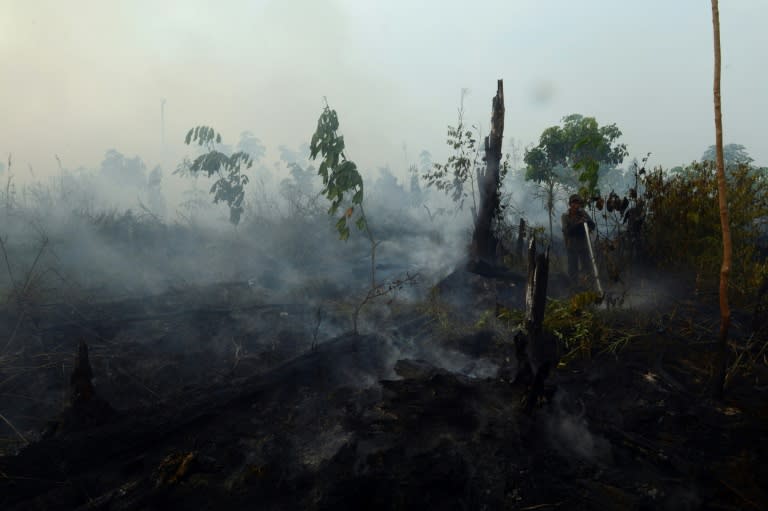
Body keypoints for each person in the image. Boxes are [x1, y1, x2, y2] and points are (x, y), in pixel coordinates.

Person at [562, 194, 596, 286]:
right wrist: (579, 224)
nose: (576, 205)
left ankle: (590, 286)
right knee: (573, 270)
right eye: (574, 203)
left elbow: (592, 225)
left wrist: (586, 222)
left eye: (578, 203)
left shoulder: (583, 213)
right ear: (570, 204)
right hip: (572, 246)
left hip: (583, 245)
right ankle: (574, 290)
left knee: (587, 267)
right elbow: (568, 231)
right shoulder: (565, 216)